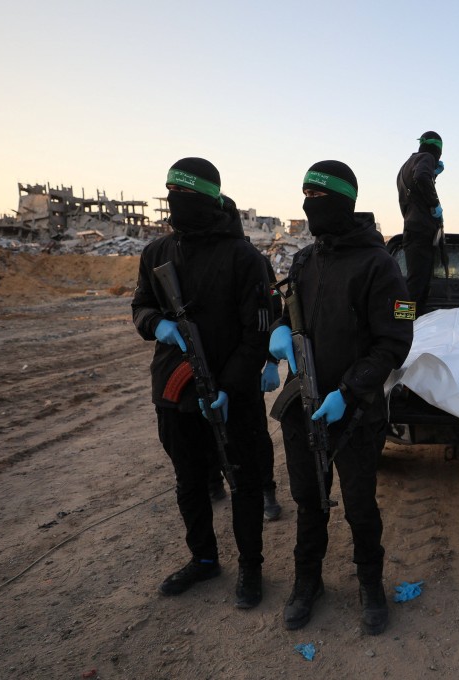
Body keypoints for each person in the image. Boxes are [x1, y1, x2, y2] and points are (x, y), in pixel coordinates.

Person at [270, 161, 414, 635]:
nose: (310, 205)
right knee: (309, 502)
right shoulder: (305, 261)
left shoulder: (380, 265)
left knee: (359, 505)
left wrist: (349, 391)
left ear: (343, 202)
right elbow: (288, 316)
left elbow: (395, 341)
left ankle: (370, 584)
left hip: (355, 415)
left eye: (318, 197)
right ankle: (306, 582)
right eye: (305, 196)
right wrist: (275, 336)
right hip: (303, 411)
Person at [131, 157, 271, 609]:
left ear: (211, 198)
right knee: (189, 482)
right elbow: (140, 307)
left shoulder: (245, 258)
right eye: (171, 192)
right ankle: (203, 559)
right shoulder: (156, 254)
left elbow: (258, 334)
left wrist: (229, 386)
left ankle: (251, 567)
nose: (176, 202)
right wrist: (156, 324)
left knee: (244, 483)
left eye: (186, 194)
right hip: (174, 391)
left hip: (233, 395)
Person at [209, 253, 284, 522]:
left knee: (254, 433)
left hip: (245, 364)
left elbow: (276, 311)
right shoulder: (186, 253)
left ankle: (267, 490)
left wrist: (273, 361)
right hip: (207, 365)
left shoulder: (254, 260)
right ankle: (214, 481)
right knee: (208, 428)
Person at [397, 131, 444, 317]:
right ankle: (405, 323)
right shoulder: (426, 157)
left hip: (411, 229)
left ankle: (407, 323)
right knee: (417, 285)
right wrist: (434, 204)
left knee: (415, 281)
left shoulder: (406, 164)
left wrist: (433, 175)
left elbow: (416, 187)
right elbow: (421, 177)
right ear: (438, 149)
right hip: (421, 230)